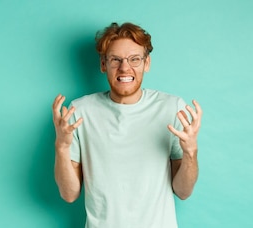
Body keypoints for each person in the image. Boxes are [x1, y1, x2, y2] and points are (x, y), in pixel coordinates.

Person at [52, 22, 202, 228]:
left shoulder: (172, 108)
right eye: (115, 60)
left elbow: (183, 192)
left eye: (134, 59)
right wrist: (61, 147)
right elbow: (69, 194)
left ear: (146, 63)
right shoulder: (79, 112)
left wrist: (190, 152)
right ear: (103, 64)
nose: (125, 67)